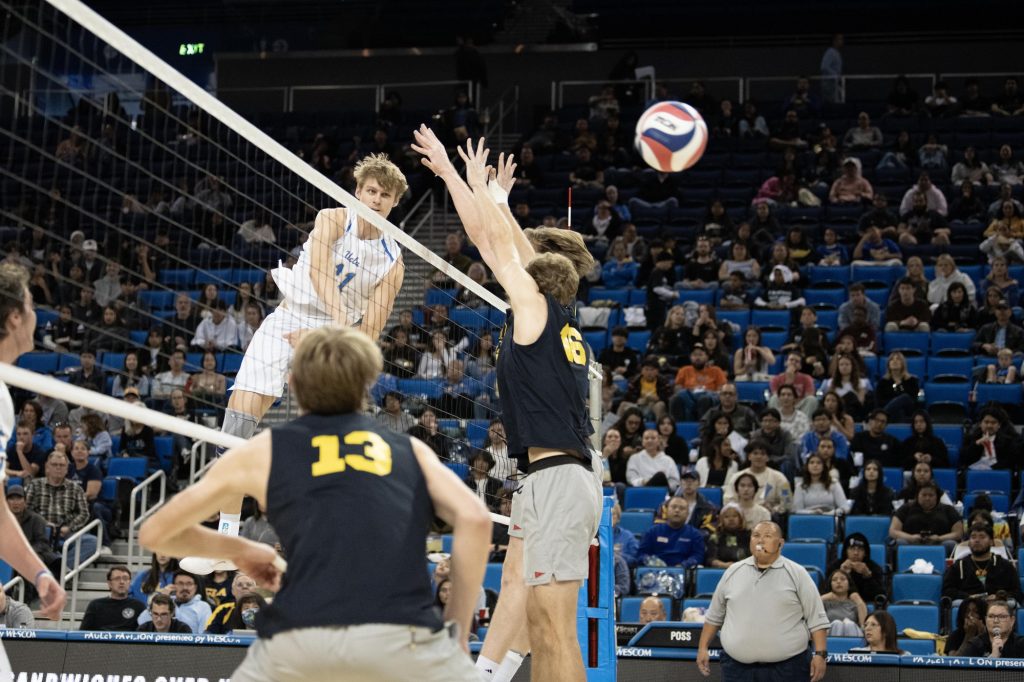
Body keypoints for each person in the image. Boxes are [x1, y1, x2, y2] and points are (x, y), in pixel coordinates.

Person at [138, 327, 490, 681]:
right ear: (367, 384)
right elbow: (476, 519)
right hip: (405, 639)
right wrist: (458, 631)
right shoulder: (410, 450)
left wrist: (238, 548)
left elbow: (156, 533)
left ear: (290, 383)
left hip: (302, 640)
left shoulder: (264, 450)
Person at [183, 154, 410, 575]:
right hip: (290, 318)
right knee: (236, 427)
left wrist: (331, 337)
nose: (377, 200)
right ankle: (227, 538)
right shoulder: (330, 219)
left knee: (334, 445)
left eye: (386, 195)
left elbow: (372, 329)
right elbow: (321, 272)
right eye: (371, 191)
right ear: (358, 192)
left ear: (394, 202)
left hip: (333, 341)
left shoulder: (393, 262)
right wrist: (337, 318)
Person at [697, 521, 829, 681]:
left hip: (788, 668)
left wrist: (820, 654)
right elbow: (714, 616)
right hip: (737, 669)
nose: (760, 541)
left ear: (780, 543)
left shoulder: (797, 574)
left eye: (767, 536)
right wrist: (703, 647)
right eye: (756, 536)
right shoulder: (732, 572)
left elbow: (817, 619)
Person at [942, 522, 1021, 603]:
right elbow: (947, 591)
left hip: (998, 606)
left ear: (991, 541)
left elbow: (1016, 592)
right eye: (973, 537)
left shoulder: (1005, 565)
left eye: (982, 537)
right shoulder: (959, 566)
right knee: (957, 603)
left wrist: (999, 597)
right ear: (969, 542)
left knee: (1012, 603)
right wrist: (968, 597)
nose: (977, 540)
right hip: (969, 606)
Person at [889, 482, 963, 554]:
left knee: (950, 544)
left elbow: (958, 533)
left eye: (931, 495)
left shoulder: (948, 509)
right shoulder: (906, 508)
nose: (927, 498)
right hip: (911, 544)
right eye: (924, 495)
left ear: (937, 497)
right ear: (917, 495)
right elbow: (893, 531)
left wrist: (939, 538)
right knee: (899, 543)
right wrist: (910, 538)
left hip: (939, 545)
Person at [638, 497, 705, 568]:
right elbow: (641, 554)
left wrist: (683, 565)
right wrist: (651, 562)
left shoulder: (695, 534)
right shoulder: (652, 531)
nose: (677, 510)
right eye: (673, 507)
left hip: (684, 571)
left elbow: (697, 556)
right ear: (666, 511)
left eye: (682, 508)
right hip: (655, 571)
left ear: (688, 514)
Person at [79, 565, 146, 631]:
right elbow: (82, 634)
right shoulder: (95, 605)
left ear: (130, 582)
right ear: (109, 583)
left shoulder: (139, 606)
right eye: (117, 578)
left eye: (125, 578)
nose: (122, 582)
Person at [826, 533, 886, 603]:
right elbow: (826, 592)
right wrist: (842, 574)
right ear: (846, 551)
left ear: (865, 553)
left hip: (866, 605)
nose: (856, 553)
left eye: (860, 549)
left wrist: (868, 576)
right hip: (839, 605)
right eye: (852, 549)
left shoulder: (874, 568)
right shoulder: (835, 567)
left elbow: (880, 597)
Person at [959, 600, 1024, 658]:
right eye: (991, 616)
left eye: (1002, 617)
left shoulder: (1021, 644)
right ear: (986, 620)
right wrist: (993, 657)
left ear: (1012, 621)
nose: (996, 621)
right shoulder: (975, 644)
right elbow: (961, 670)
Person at [821, 569, 866, 637]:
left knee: (849, 624)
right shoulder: (825, 603)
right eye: (834, 580)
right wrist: (823, 597)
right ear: (830, 584)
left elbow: (863, 626)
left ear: (849, 584)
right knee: (837, 623)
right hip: (829, 635)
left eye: (842, 579)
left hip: (852, 633)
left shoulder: (854, 603)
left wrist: (859, 601)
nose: (838, 582)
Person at [705, 504, 751, 568]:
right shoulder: (715, 537)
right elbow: (710, 559)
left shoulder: (749, 536)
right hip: (722, 571)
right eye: (726, 517)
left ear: (741, 518)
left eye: (734, 516)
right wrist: (723, 565)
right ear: (721, 520)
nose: (731, 519)